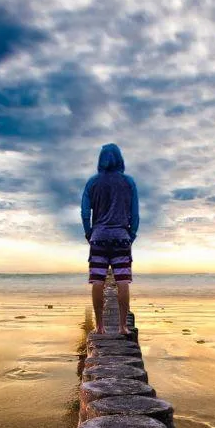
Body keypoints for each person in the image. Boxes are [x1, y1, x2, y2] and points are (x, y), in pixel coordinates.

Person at [80, 143, 139, 335]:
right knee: (123, 281)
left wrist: (89, 232)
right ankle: (123, 326)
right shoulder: (128, 182)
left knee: (98, 280)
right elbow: (135, 213)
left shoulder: (92, 182)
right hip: (121, 236)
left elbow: (84, 211)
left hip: (98, 237)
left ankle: (100, 326)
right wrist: (132, 234)